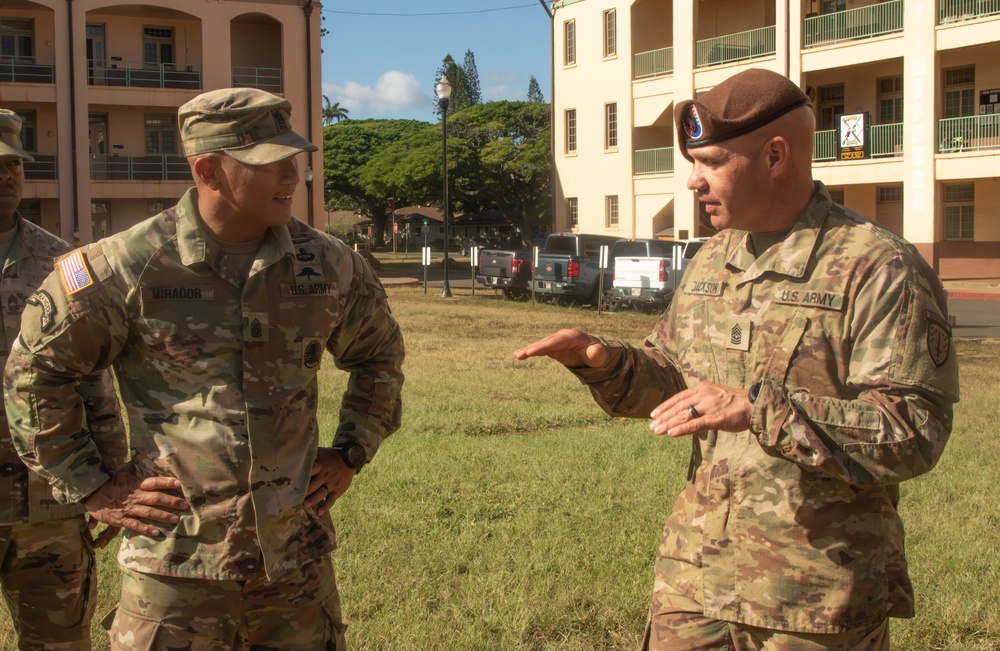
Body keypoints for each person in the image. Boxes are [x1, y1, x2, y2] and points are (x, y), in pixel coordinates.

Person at [515, 68, 959, 650]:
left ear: (775, 156)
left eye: (713, 162)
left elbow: (915, 431)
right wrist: (605, 362)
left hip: (812, 604)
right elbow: (674, 380)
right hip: (694, 580)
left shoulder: (877, 268)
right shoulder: (712, 259)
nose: (694, 181)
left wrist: (759, 410)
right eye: (693, 162)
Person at [3, 89, 405, 650]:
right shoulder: (123, 266)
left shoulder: (328, 264)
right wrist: (91, 486)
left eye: (295, 159)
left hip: (294, 565)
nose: (293, 176)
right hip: (174, 570)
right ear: (208, 170)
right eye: (271, 163)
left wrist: (352, 450)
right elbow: (35, 372)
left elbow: (379, 354)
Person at [0, 108, 126, 649]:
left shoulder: (61, 264)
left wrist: (113, 475)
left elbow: (93, 377)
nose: (6, 177)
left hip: (45, 502)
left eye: (14, 166)